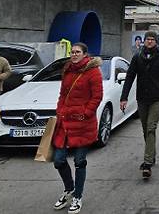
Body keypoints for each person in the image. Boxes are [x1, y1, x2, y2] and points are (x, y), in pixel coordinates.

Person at [52, 43, 103, 214]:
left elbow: (97, 96)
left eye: (77, 52)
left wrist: (86, 113)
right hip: (65, 121)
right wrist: (59, 110)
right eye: (72, 52)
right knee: (59, 160)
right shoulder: (67, 69)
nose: (74, 54)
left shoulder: (93, 71)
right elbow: (62, 94)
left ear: (85, 54)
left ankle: (78, 197)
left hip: (83, 123)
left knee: (79, 161)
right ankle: (70, 188)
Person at [120, 30, 159, 179]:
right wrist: (123, 97)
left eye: (152, 39)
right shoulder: (137, 57)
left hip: (157, 99)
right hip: (142, 99)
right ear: (144, 41)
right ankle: (152, 155)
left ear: (156, 42)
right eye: (147, 39)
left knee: (151, 127)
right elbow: (130, 77)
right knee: (146, 129)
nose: (149, 41)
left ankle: (147, 163)